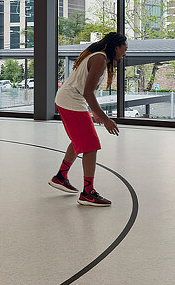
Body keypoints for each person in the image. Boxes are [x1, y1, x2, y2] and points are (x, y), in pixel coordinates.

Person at [49, 32, 128, 206]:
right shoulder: (100, 59)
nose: (125, 53)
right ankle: (88, 192)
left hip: (70, 99)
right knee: (91, 145)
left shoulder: (100, 57)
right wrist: (104, 117)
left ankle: (61, 176)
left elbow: (85, 90)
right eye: (124, 49)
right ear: (116, 47)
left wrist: (95, 112)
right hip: (71, 101)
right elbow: (88, 91)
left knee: (80, 140)